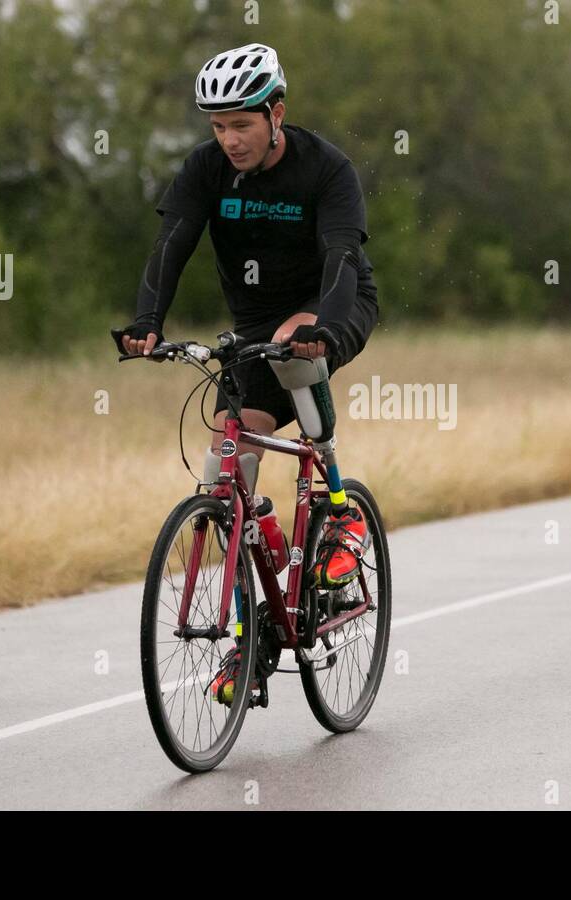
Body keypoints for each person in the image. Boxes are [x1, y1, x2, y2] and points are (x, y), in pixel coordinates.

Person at [112, 44, 377, 705]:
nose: (229, 140)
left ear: (276, 113)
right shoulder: (206, 171)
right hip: (253, 324)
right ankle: (249, 633)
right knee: (230, 457)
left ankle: (339, 508)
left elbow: (343, 256)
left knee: (292, 350)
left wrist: (319, 327)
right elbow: (171, 244)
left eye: (242, 125)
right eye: (218, 126)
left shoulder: (326, 169)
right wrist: (148, 320)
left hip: (331, 303)